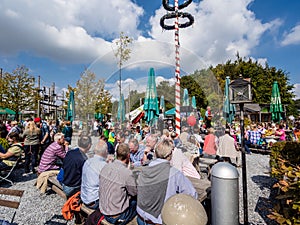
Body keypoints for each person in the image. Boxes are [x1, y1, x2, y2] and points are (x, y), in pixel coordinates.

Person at [136, 139, 198, 225]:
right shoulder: (174, 173)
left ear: (155, 153)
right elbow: (192, 194)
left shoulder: (144, 169)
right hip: (157, 220)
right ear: (170, 155)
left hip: (140, 216)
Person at [99, 143, 137, 225]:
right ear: (128, 156)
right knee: (136, 201)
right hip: (117, 216)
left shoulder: (106, 167)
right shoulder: (126, 172)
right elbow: (134, 192)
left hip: (104, 210)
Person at [81, 139, 108, 210]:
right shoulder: (104, 166)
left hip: (85, 197)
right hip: (94, 202)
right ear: (105, 151)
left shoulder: (87, 161)